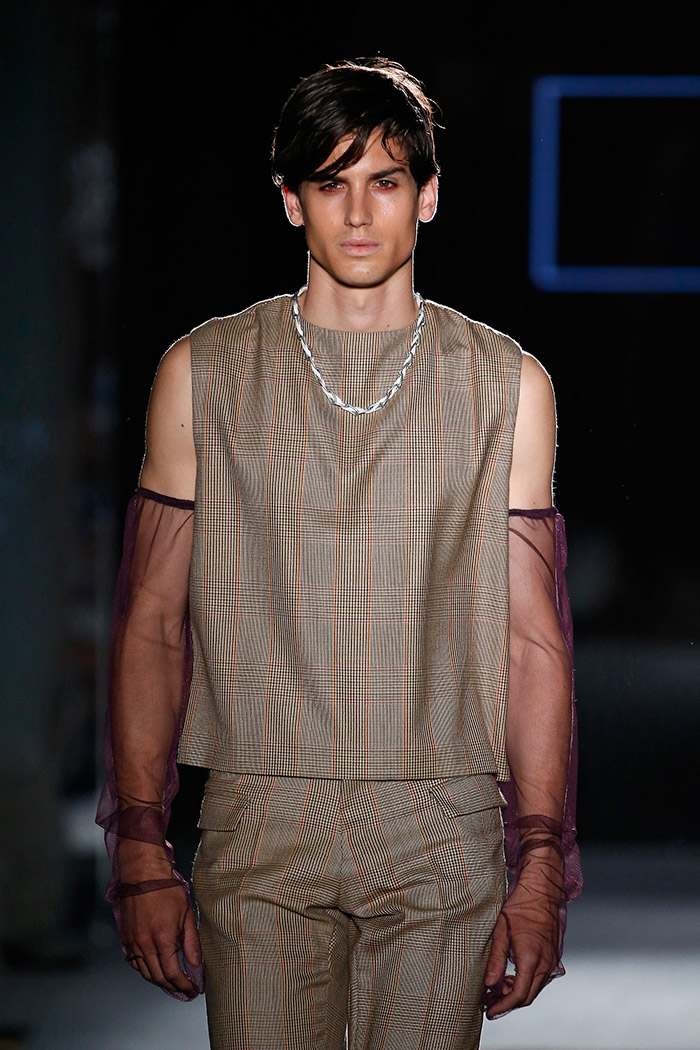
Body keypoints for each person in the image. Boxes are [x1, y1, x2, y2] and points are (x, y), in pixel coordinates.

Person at [97, 57, 582, 1050]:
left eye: (385, 180)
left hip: (440, 823)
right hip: (259, 819)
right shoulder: (204, 373)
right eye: (330, 182)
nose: (358, 213)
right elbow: (152, 621)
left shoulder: (505, 384)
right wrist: (141, 846)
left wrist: (539, 860)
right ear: (291, 201)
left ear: (428, 195)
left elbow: (531, 641)